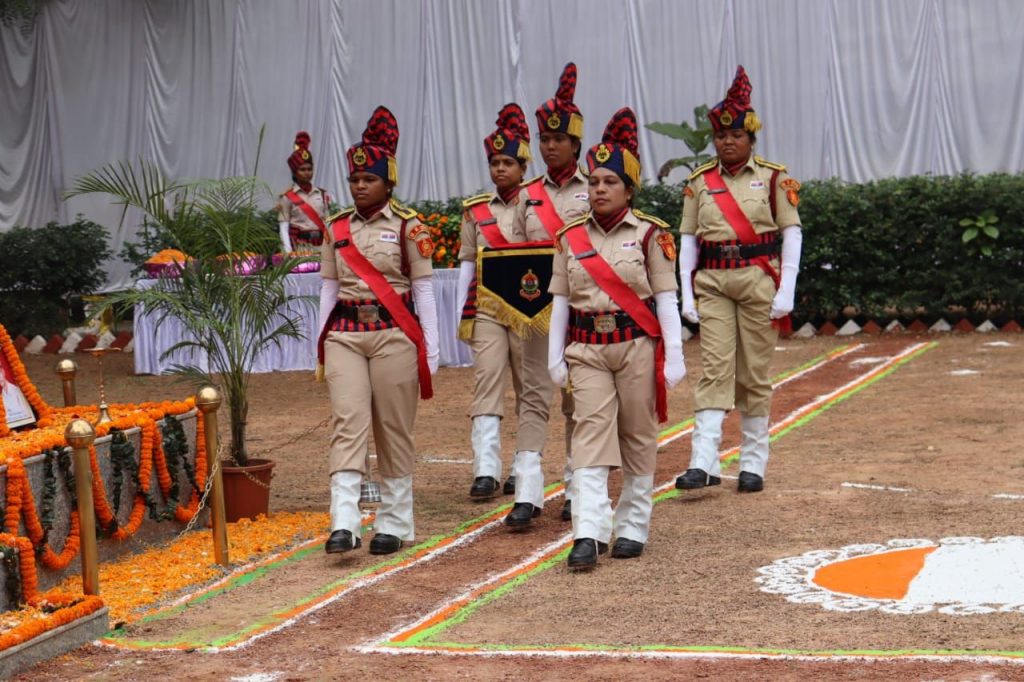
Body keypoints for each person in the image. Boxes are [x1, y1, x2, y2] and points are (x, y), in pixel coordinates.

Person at [548, 107, 686, 570]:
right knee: (589, 434)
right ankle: (588, 532)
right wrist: (554, 357)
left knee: (637, 435)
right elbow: (561, 302)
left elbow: (665, 299)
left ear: (629, 189)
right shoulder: (569, 238)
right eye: (593, 182)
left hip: (636, 347)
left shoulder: (650, 235)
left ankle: (632, 526)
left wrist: (674, 356)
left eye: (610, 182)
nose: (599, 189)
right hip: (586, 350)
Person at [316, 106, 440, 555]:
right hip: (345, 334)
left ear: (389, 183)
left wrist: (432, 349)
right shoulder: (336, 227)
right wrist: (320, 345)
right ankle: (344, 522)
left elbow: (423, 289)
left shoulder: (409, 226)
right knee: (347, 422)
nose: (360, 186)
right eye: (354, 179)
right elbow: (328, 289)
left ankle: (394, 521)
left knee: (393, 427)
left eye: (369, 178)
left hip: (395, 334)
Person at [674, 66, 803, 494]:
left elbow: (792, 232)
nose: (727, 141)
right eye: (721, 135)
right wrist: (685, 294)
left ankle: (753, 464)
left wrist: (786, 289)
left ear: (751, 138)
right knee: (714, 368)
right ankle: (702, 462)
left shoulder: (773, 177)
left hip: (757, 280)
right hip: (713, 282)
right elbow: (687, 239)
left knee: (754, 373)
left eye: (736, 135)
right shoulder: (699, 183)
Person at [456, 103, 554, 529]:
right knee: (487, 380)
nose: (500, 169)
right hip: (490, 307)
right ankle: (485, 469)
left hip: (531, 308)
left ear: (523, 165)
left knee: (530, 386)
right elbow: (466, 263)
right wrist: (462, 311)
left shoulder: (538, 202)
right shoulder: (475, 209)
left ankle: (521, 467)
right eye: (494, 162)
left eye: (507, 162)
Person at [512, 62, 591, 522]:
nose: (550, 146)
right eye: (544, 139)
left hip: (582, 309)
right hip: (538, 309)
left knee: (578, 399)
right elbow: (514, 255)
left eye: (559, 139)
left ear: (576, 143)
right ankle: (527, 491)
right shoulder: (526, 194)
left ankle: (578, 485)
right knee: (534, 395)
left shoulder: (595, 188)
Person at [277, 131, 332, 254]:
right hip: (299, 248)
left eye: (309, 169)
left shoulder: (321, 194)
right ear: (294, 172)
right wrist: (288, 252)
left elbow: (328, 223)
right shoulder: (287, 197)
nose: (307, 172)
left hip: (321, 247)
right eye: (302, 169)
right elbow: (284, 227)